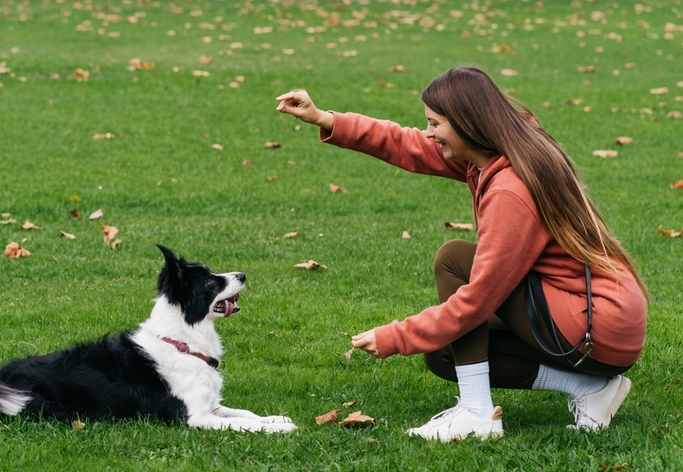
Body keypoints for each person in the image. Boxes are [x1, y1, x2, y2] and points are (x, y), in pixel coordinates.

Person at [275, 67, 648, 441]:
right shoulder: (500, 150)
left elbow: (477, 299)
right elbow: (404, 143)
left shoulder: (511, 189)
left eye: (435, 123)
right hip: (592, 318)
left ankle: (477, 414)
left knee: (454, 259)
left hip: (597, 324)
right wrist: (324, 118)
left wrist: (395, 336)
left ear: (469, 123)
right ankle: (589, 389)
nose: (428, 133)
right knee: (444, 353)